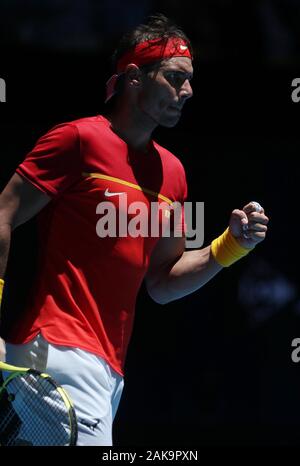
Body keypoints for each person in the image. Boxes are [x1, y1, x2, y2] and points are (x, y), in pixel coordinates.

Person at [0, 13, 269, 445]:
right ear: (133, 78)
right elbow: (4, 214)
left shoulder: (173, 174)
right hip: (54, 352)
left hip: (109, 374)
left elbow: (163, 283)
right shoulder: (78, 139)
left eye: (190, 80)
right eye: (175, 77)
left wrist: (231, 245)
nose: (188, 91)